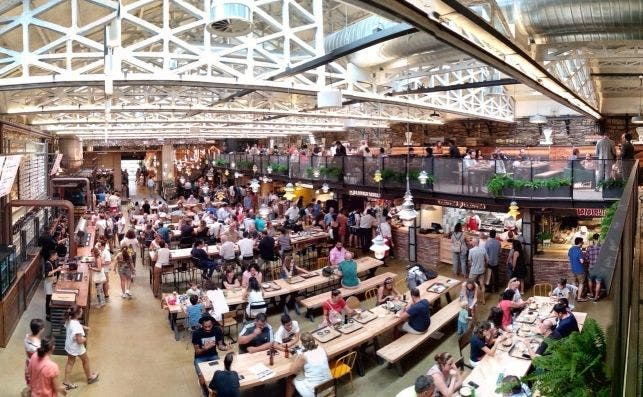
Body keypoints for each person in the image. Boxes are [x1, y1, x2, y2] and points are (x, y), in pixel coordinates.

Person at [286, 332, 333, 397]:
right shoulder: (322, 348)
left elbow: (292, 371)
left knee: (290, 379)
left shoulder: (303, 356)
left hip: (315, 392)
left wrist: (296, 359)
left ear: (302, 344)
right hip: (329, 386)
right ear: (314, 341)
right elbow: (327, 359)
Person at [63, 306, 99, 389]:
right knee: (85, 360)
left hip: (69, 345)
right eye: (81, 311)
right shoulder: (76, 326)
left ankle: (66, 381)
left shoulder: (69, 319)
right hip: (77, 347)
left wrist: (83, 327)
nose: (82, 312)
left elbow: (75, 325)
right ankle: (90, 377)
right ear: (78, 314)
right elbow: (79, 341)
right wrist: (85, 338)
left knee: (70, 362)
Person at [192, 315, 227, 392]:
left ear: (213, 324)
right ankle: (205, 391)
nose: (208, 328)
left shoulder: (217, 330)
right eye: (205, 327)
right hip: (200, 358)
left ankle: (217, 390)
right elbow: (197, 351)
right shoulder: (196, 333)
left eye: (209, 326)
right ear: (202, 325)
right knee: (201, 376)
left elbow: (220, 346)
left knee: (220, 373)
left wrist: (226, 348)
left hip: (213, 355)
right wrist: (205, 348)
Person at [43, 251, 63, 321]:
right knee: (48, 299)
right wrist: (57, 269)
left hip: (52, 282)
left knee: (52, 297)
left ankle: (51, 312)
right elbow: (48, 274)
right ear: (52, 256)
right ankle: (48, 315)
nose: (57, 256)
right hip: (49, 283)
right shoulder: (48, 263)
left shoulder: (53, 262)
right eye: (56, 255)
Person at [467, 238, 487, 305]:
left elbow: (470, 261)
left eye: (472, 242)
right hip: (482, 270)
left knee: (471, 284)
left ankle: (473, 298)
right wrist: (484, 266)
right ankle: (483, 299)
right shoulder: (483, 250)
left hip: (474, 271)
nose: (471, 243)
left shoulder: (471, 251)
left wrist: (472, 265)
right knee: (482, 284)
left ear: (474, 243)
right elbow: (487, 260)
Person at [568, 237, 587, 302]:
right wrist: (584, 259)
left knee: (573, 283)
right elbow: (581, 261)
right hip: (580, 270)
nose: (583, 243)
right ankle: (579, 298)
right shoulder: (579, 251)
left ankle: (574, 296)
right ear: (580, 243)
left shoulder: (570, 249)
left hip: (573, 269)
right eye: (582, 242)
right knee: (581, 283)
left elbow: (569, 256)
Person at [586, 233, 603, 301]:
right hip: (599, 268)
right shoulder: (602, 247)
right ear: (599, 239)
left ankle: (591, 293)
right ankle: (596, 297)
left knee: (590, 280)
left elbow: (586, 258)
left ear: (593, 239)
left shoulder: (589, 248)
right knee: (598, 282)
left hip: (591, 267)